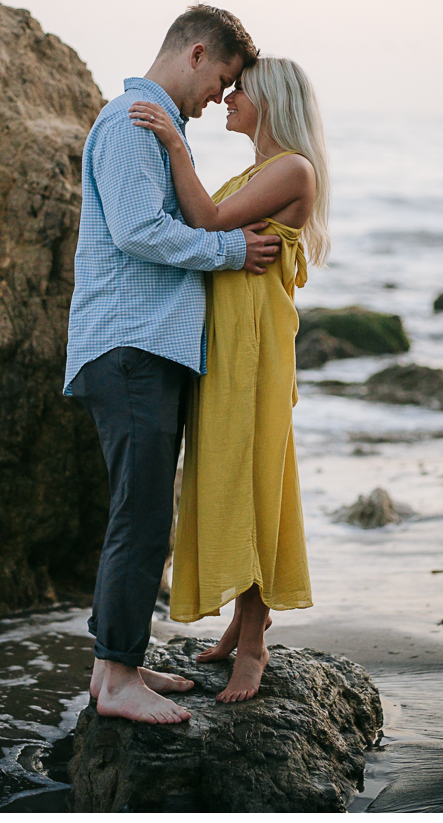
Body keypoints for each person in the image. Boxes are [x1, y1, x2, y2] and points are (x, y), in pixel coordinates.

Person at [63, 5, 283, 725]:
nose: (220, 97)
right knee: (143, 513)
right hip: (129, 346)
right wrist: (229, 251)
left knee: (142, 507)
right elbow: (137, 232)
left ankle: (112, 669)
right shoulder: (134, 120)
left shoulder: (155, 126)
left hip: (139, 346)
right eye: (220, 79)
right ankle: (120, 676)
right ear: (194, 54)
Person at [128, 55, 330, 703]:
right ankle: (248, 617)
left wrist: (170, 140)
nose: (226, 98)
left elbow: (209, 222)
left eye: (239, 90)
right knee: (233, 475)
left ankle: (253, 646)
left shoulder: (292, 168)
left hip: (255, 351)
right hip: (229, 345)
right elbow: (212, 226)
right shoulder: (260, 170)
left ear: (270, 99)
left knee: (248, 481)